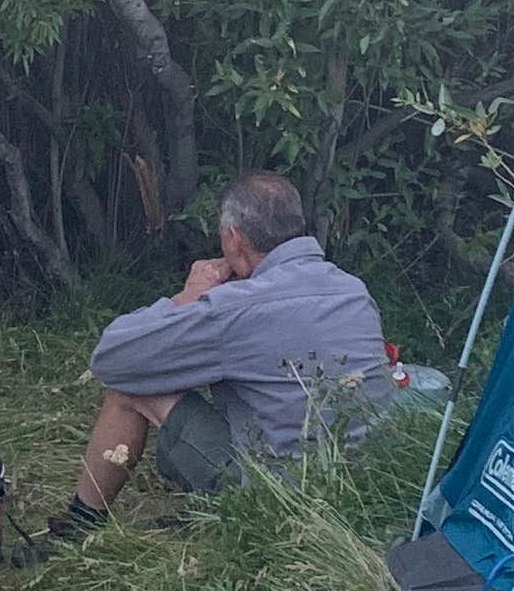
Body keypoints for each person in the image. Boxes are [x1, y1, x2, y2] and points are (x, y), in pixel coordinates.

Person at [28, 170, 387, 550]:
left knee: (126, 389)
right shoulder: (354, 291)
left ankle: (77, 529)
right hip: (361, 491)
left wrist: (190, 297)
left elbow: (111, 358)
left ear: (233, 238)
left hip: (281, 503)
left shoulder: (234, 308)